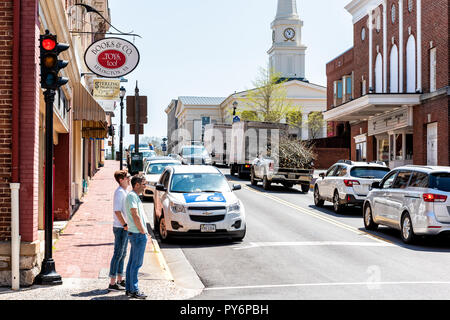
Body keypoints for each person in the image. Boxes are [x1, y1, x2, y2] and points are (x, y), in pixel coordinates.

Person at [124, 174, 149, 299]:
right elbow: (135, 215)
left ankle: (129, 289)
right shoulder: (132, 196)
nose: (145, 186)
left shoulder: (134, 196)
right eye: (144, 184)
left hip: (135, 233)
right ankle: (134, 290)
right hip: (138, 234)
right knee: (136, 264)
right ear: (137, 185)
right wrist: (142, 230)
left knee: (132, 263)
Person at [108, 170, 131, 291]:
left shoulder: (124, 191)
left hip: (124, 227)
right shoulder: (119, 193)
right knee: (118, 254)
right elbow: (117, 211)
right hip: (120, 227)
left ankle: (120, 280)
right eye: (127, 177)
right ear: (121, 180)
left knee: (123, 254)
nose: (129, 179)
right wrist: (125, 224)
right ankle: (112, 283)